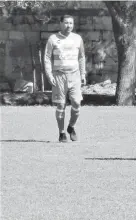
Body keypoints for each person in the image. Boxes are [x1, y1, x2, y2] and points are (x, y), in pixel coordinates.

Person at [44, 15, 86, 143]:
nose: (69, 25)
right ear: (60, 23)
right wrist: (49, 75)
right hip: (59, 75)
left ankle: (71, 126)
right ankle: (62, 133)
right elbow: (47, 58)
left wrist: (83, 74)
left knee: (77, 103)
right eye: (66, 23)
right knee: (61, 104)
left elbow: (81, 57)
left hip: (75, 75)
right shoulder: (53, 39)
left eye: (71, 23)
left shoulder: (78, 39)